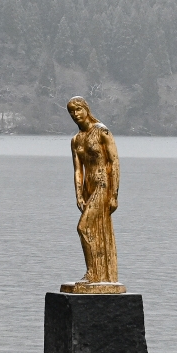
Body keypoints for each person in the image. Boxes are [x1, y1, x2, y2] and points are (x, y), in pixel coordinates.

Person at [68, 97, 120, 285]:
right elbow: (77, 170)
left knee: (83, 227)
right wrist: (78, 194)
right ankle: (101, 275)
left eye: (78, 110)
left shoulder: (102, 131)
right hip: (88, 186)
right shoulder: (76, 140)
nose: (75, 114)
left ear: (86, 109)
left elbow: (114, 162)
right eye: (72, 112)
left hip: (102, 184)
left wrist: (114, 194)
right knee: (94, 229)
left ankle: (93, 273)